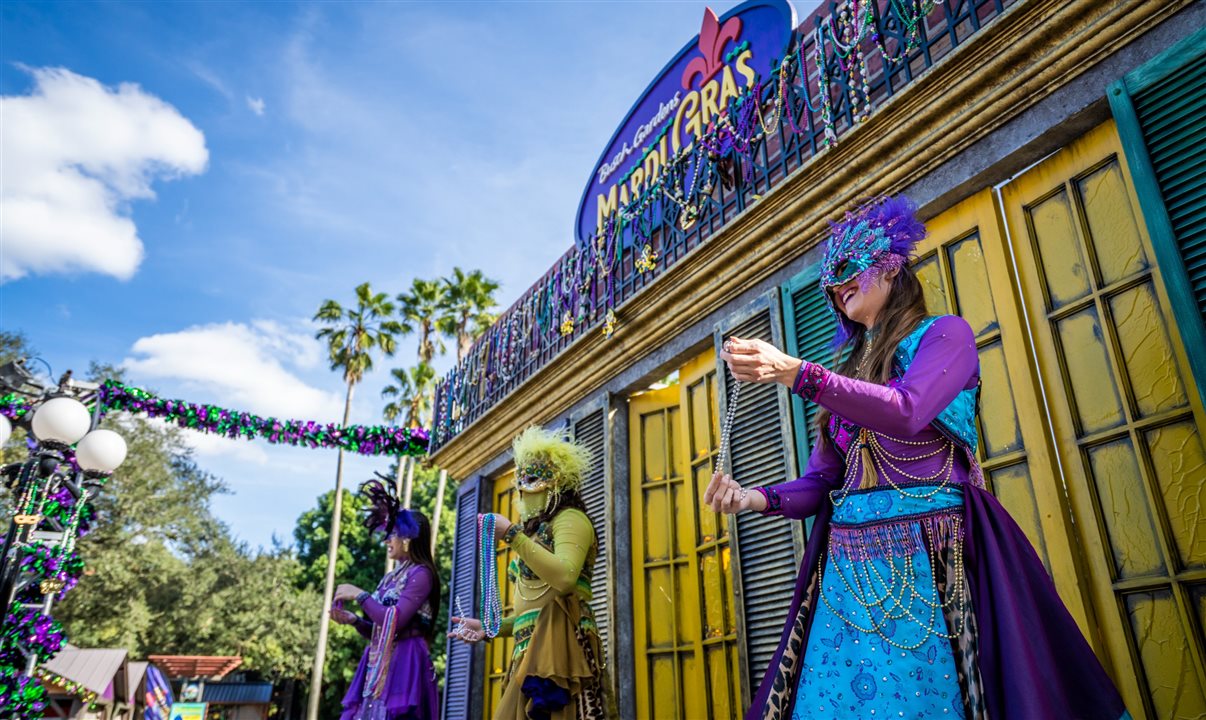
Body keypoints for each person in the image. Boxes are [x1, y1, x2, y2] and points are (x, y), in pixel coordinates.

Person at [709, 196, 1130, 720]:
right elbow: (821, 483)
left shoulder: (946, 335)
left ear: (889, 265)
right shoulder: (846, 379)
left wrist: (800, 374)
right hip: (848, 572)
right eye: (828, 285)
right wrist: (753, 498)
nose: (836, 287)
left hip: (935, 556)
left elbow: (908, 412)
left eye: (848, 269)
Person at [449, 426, 613, 720]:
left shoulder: (571, 519)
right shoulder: (536, 532)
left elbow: (564, 579)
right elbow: (531, 613)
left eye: (533, 478)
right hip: (528, 652)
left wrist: (512, 535)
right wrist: (490, 628)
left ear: (558, 482)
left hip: (561, 650)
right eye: (519, 479)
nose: (522, 488)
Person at [331, 478, 440, 720]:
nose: (387, 540)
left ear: (408, 538)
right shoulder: (390, 577)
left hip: (406, 660)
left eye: (392, 534)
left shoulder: (421, 574)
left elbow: (395, 621)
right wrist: (353, 621)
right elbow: (381, 629)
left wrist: (360, 595)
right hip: (378, 659)